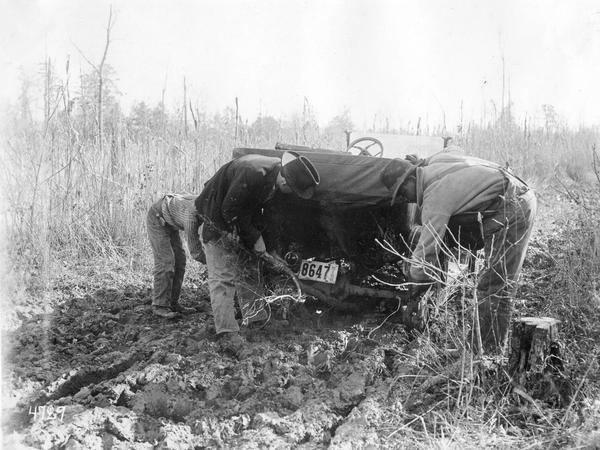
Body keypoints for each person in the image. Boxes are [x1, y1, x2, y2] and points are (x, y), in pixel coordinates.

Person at [381, 149, 537, 353]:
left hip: (514, 207)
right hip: (510, 197)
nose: (406, 199)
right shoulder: (434, 161)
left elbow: (427, 249)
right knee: (492, 283)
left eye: (403, 192)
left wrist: (414, 284)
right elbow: (453, 152)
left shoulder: (435, 197)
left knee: (495, 285)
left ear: (411, 179)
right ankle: (478, 351)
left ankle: (486, 357)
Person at [195, 151, 320, 352]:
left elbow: (271, 219)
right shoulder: (252, 171)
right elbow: (230, 209)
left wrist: (271, 250)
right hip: (217, 217)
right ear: (287, 183)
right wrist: (254, 240)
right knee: (223, 277)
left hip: (241, 219)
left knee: (251, 270)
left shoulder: (278, 182)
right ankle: (227, 332)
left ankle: (256, 319)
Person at [147, 193, 206, 319]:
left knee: (180, 261)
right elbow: (195, 252)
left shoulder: (205, 203)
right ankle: (160, 306)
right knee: (166, 262)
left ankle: (172, 303)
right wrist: (213, 263)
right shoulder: (191, 218)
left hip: (170, 219)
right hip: (157, 217)